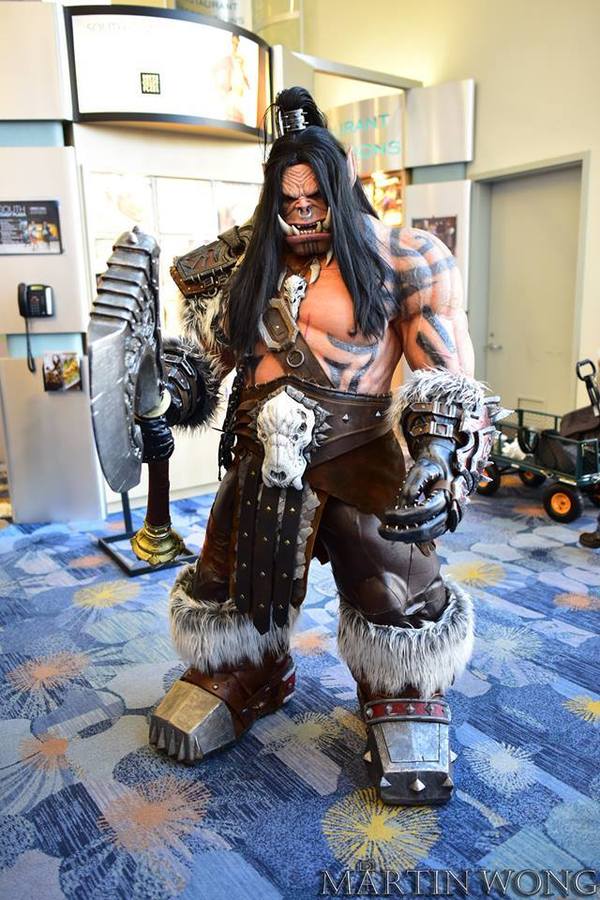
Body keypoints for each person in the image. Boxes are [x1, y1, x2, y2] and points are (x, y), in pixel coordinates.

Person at [144, 87, 504, 806]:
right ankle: (246, 671)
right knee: (227, 584)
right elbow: (210, 362)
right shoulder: (240, 264)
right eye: (289, 198)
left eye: (315, 195)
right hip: (262, 457)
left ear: (342, 182)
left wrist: (438, 458)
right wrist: (170, 391)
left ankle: (399, 690)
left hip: (359, 454)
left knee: (393, 592)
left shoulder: (406, 257)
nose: (304, 210)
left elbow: (445, 377)